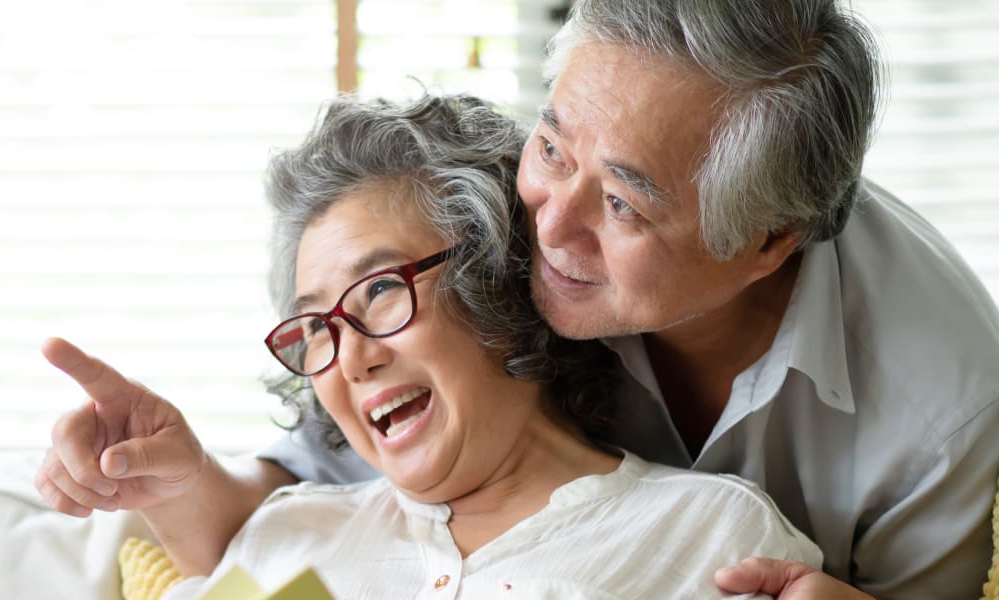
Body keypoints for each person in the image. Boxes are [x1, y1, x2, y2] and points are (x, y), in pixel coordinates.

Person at [38, 2, 999, 599]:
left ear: (762, 244)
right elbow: (325, 466)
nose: (545, 228)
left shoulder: (935, 413)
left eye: (619, 203)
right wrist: (170, 478)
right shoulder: (527, 220)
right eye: (548, 146)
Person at [61, 92, 820, 598]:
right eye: (316, 326)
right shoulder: (283, 539)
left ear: (497, 276)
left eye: (380, 290)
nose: (351, 355)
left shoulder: (711, 535)